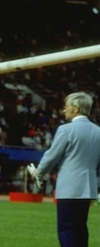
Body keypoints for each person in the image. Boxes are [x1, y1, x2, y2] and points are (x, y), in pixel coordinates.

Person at [30, 91, 100, 247]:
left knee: (67, 229)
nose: (63, 110)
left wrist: (39, 172)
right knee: (81, 228)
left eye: (66, 106)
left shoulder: (66, 130)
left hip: (69, 187)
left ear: (76, 109)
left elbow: (52, 155)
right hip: (88, 188)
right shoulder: (98, 132)